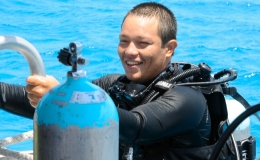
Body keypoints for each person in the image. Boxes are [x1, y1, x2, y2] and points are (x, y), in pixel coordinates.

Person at [0, 2, 233, 160]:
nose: (130, 52)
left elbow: (138, 127)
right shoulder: (113, 85)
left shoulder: (187, 99)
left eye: (142, 43)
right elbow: (37, 102)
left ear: (169, 48)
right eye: (124, 41)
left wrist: (67, 99)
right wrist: (53, 97)